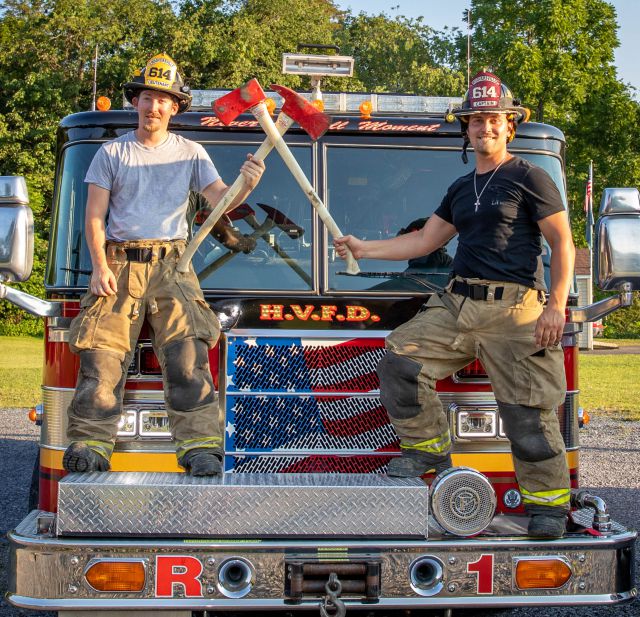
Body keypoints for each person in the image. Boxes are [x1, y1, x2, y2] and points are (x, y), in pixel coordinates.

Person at [334, 71, 575, 538]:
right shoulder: (462, 188)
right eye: (476, 120)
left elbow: (562, 243)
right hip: (458, 303)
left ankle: (547, 507)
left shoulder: (531, 177)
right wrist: (363, 248)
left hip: (516, 312)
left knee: (527, 414)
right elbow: (425, 240)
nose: (485, 127)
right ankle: (427, 448)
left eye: (494, 119)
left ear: (510, 125)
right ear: (466, 128)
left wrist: (557, 306)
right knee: (401, 360)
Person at [62, 53, 265, 476]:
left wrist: (247, 183)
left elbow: (221, 202)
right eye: (147, 97)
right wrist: (99, 267)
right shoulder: (111, 153)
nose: (153, 107)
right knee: (101, 358)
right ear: (136, 101)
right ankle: (90, 444)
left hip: (174, 266)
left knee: (188, 358)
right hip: (119, 265)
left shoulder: (191, 153)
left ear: (175, 107)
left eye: (163, 100)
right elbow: (94, 217)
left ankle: (200, 448)